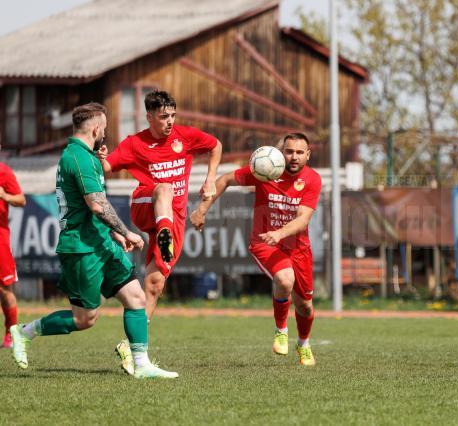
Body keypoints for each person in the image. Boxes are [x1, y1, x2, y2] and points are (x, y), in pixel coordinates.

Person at [9, 102, 177, 378]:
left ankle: (142, 365)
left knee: (136, 298)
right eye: (105, 129)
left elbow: (90, 208)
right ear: (96, 128)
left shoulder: (86, 156)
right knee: (84, 319)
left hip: (100, 241)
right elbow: (97, 205)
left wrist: (112, 233)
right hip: (81, 248)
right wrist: (126, 231)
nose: (105, 135)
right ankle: (25, 332)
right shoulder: (79, 158)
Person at [99, 90, 222, 374]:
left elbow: (216, 145)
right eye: (164, 116)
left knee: (154, 285)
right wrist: (99, 155)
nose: (170, 121)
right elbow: (106, 167)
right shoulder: (135, 143)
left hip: (174, 218)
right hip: (146, 205)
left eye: (173, 116)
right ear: (149, 116)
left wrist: (210, 179)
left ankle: (131, 348)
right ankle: (164, 230)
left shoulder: (185, 136)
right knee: (164, 187)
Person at [190, 133, 322, 366]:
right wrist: (202, 209)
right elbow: (224, 180)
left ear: (308, 155)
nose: (294, 157)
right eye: (289, 151)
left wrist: (280, 233)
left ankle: (304, 344)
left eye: (299, 153)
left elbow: (303, 219)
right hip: (264, 242)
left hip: (297, 247)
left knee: (305, 305)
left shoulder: (312, 179)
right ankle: (281, 330)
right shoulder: (266, 170)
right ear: (282, 152)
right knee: (284, 279)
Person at [0, 143, 26, 348]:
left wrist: (4, 196)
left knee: (4, 288)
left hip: (0, 237)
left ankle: (11, 333)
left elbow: (21, 200)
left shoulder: (4, 173)